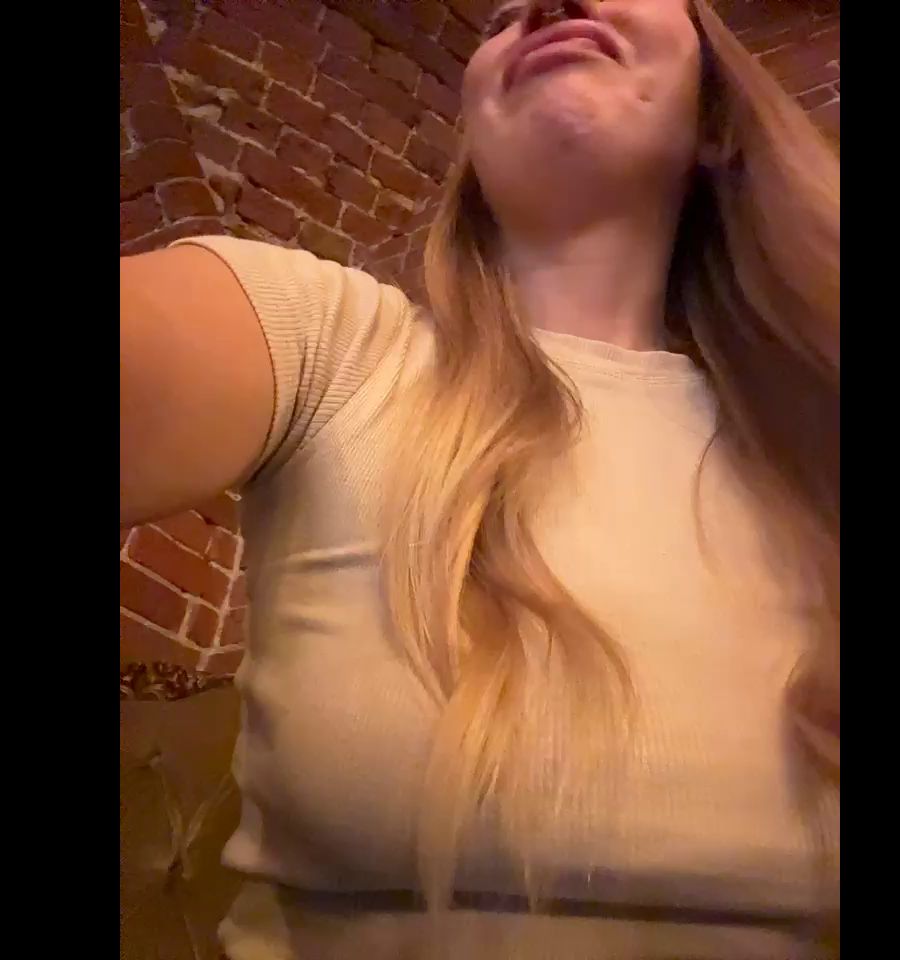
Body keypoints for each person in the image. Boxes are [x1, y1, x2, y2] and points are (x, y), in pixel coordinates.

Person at [120, 0, 839, 956]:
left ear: (717, 121)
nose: (546, 2)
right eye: (500, 17)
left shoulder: (810, 461)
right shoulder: (329, 344)